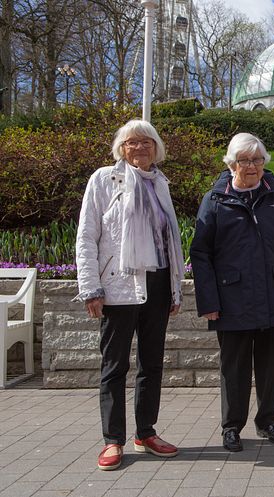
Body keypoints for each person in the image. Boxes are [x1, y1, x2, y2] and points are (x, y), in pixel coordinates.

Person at [75, 120, 185, 471]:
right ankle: (112, 440)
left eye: (147, 142)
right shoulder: (104, 180)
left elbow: (170, 240)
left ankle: (146, 433)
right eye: (132, 142)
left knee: (151, 364)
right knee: (114, 366)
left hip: (157, 284)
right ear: (121, 148)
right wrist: (91, 287)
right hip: (118, 287)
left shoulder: (161, 183)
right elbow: (87, 236)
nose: (140, 148)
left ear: (157, 148)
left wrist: (174, 288)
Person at [190, 133, 274, 451]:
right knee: (234, 367)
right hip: (232, 299)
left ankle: (267, 420)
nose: (252, 166)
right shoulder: (215, 199)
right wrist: (209, 301)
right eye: (244, 160)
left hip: (273, 294)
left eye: (257, 160)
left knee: (270, 366)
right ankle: (232, 426)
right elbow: (200, 253)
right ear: (231, 164)